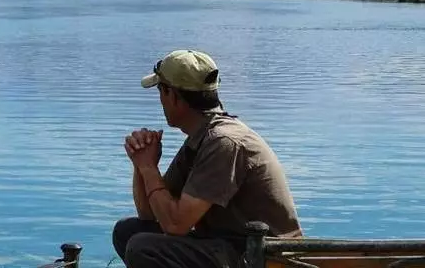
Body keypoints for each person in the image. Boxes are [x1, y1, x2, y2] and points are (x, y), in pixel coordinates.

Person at [113, 50, 302, 268]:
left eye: (160, 91)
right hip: (231, 246)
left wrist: (148, 168)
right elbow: (150, 214)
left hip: (266, 257)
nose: (160, 101)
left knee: (142, 247)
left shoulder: (224, 142)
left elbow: (176, 224)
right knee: (127, 232)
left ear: (173, 96)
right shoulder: (201, 139)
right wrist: (141, 163)